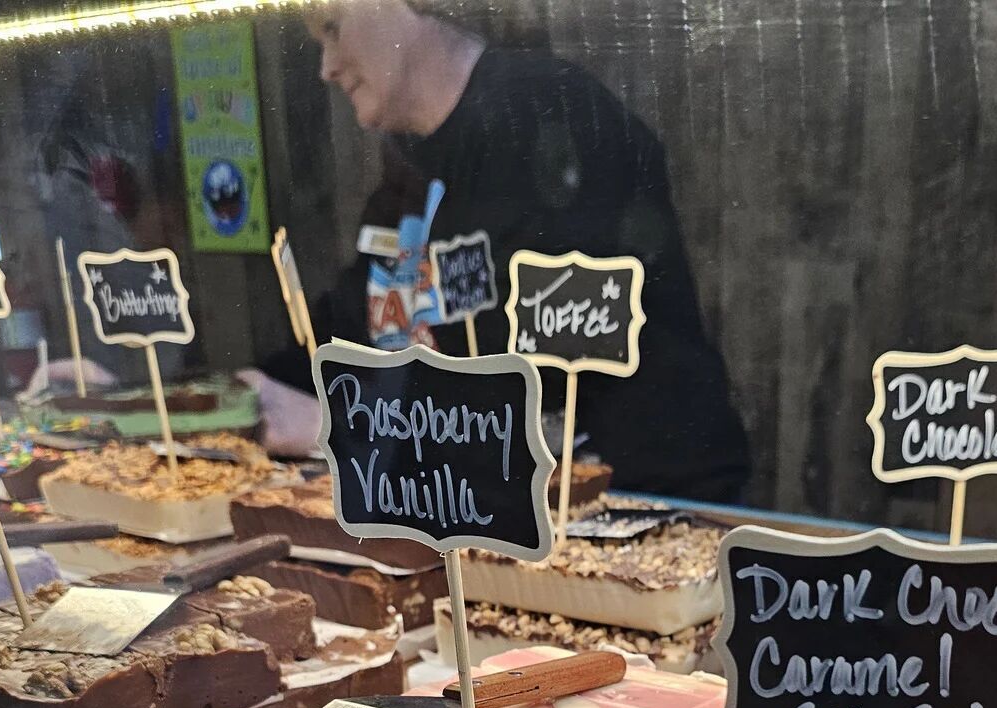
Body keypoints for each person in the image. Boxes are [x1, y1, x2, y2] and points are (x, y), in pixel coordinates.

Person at [245, 0, 750, 502]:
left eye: (334, 29)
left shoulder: (556, 117)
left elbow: (540, 387)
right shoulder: (413, 174)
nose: (327, 68)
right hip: (495, 518)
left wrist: (340, 427)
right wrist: (245, 396)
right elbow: (362, 322)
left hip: (636, 507)